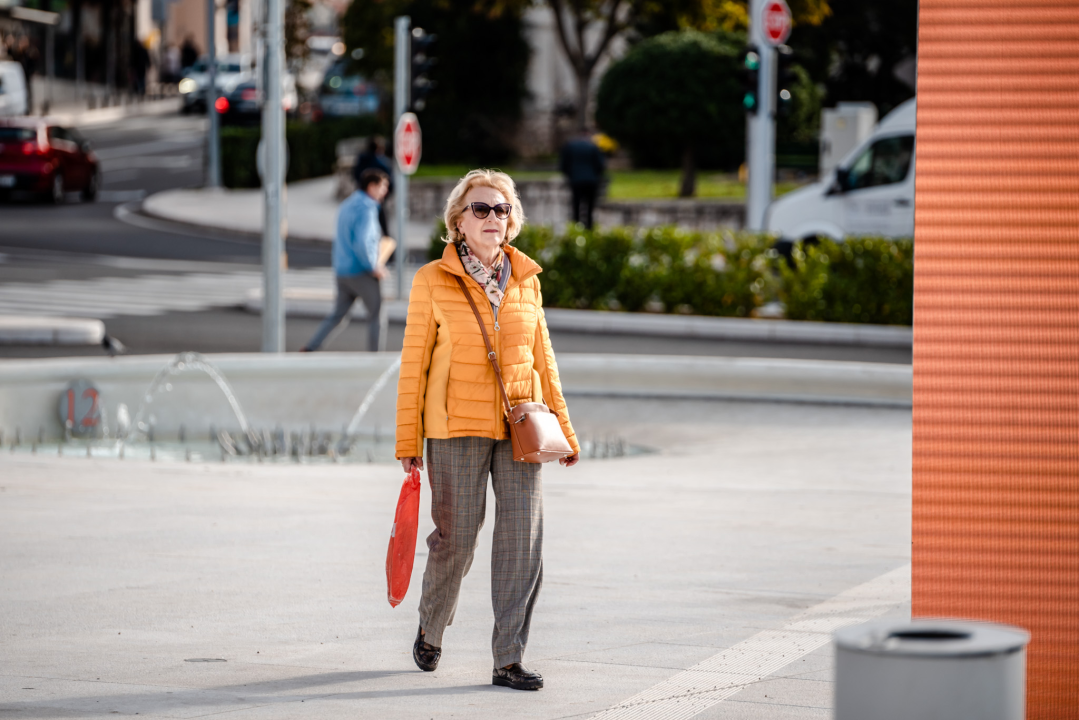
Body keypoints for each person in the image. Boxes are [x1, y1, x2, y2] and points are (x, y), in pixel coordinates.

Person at [396, 169, 581, 691]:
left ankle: (508, 658)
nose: (493, 218)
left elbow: (544, 359)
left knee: (522, 540)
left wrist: (563, 430)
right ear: (459, 220)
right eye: (481, 209)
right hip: (454, 426)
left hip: (522, 424)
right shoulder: (432, 279)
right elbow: (413, 365)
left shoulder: (527, 279)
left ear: (512, 220)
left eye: (502, 210)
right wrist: (408, 441)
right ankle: (432, 626)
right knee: (457, 538)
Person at [301, 168, 390, 352]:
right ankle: (375, 358)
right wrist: (373, 267)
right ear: (371, 187)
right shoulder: (367, 209)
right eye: (382, 187)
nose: (385, 191)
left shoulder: (346, 205)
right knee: (377, 314)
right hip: (361, 272)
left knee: (337, 316)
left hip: (342, 271)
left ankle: (311, 347)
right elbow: (363, 242)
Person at [559, 129, 606, 229]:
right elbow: (601, 165)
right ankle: (589, 227)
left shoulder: (570, 146)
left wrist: (570, 175)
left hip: (576, 181)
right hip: (591, 181)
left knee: (576, 204)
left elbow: (563, 165)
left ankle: (576, 226)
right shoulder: (593, 146)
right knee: (590, 206)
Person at [352, 136, 393, 237]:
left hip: (362, 195)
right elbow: (390, 183)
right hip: (377, 199)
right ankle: (389, 250)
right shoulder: (382, 163)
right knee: (381, 227)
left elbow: (355, 174)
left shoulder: (362, 159)